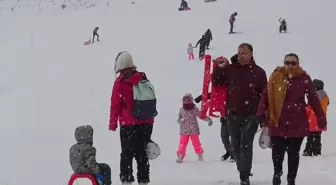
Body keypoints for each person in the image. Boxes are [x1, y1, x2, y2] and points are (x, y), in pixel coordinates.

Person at [257, 53, 327, 185]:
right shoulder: (276, 76)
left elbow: (313, 98)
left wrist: (321, 116)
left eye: (293, 63)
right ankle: (277, 174)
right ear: (284, 63)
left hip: (297, 122)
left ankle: (291, 178)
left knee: (293, 154)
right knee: (277, 153)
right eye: (287, 62)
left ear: (298, 64)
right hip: (277, 121)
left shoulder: (304, 78)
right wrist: (261, 113)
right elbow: (266, 96)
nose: (290, 65)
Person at [212, 43, 267, 185]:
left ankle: (244, 177)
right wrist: (220, 69)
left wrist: (263, 115)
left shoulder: (259, 72)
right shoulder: (230, 69)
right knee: (235, 146)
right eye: (239, 53)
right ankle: (242, 169)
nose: (241, 56)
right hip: (233, 114)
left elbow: (264, 95)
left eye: (244, 53)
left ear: (251, 54)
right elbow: (216, 82)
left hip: (251, 115)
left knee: (246, 145)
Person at [109, 51, 155, 185]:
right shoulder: (143, 78)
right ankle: (143, 181)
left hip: (128, 123)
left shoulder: (120, 81)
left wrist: (113, 124)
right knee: (142, 154)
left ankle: (127, 180)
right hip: (147, 122)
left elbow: (115, 104)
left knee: (127, 154)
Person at [176, 93, 213, 163]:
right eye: (185, 100)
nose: (187, 102)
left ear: (191, 101)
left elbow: (201, 115)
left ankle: (200, 154)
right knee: (182, 143)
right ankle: (180, 155)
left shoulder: (194, 109)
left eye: (188, 100)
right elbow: (179, 118)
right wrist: (180, 121)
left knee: (196, 143)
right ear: (183, 101)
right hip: (184, 130)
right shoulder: (181, 110)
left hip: (194, 130)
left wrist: (208, 119)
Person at [303, 79, 329, 156]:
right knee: (318, 137)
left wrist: (305, 116)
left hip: (312, 120)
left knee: (310, 136)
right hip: (321, 120)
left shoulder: (313, 97)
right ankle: (317, 151)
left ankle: (308, 151)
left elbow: (308, 108)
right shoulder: (326, 97)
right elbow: (326, 105)